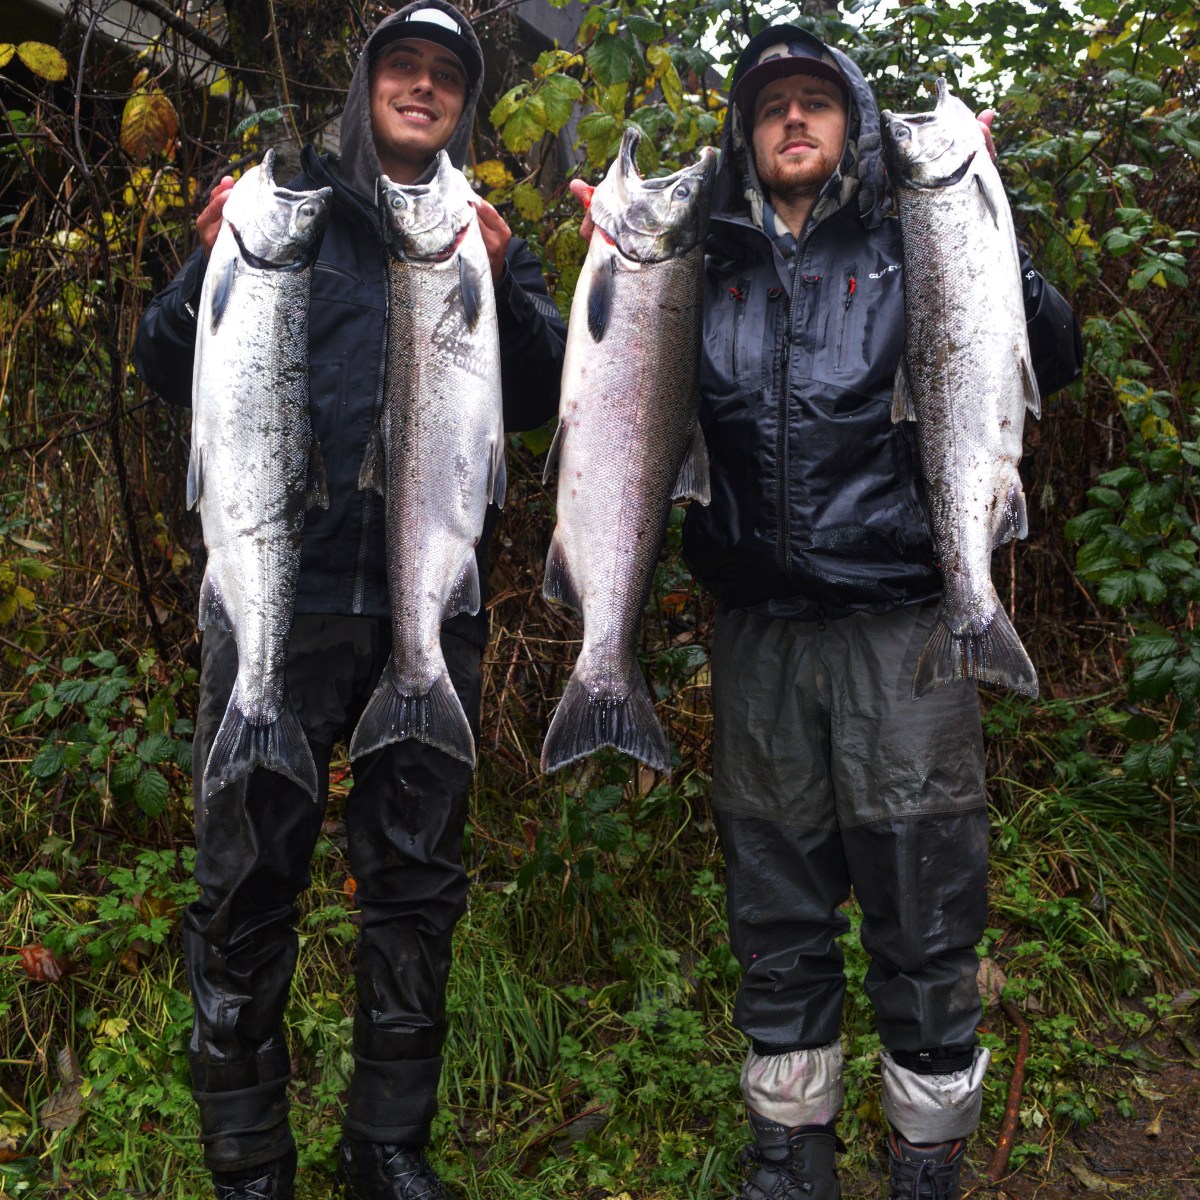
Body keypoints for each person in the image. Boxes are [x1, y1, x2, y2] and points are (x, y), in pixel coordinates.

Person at [571, 24, 1081, 1200]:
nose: (793, 119)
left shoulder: (915, 239)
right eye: (771, 107)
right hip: (756, 636)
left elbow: (1048, 354)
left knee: (925, 902)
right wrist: (591, 265)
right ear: (747, 137)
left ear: (850, 123)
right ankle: (792, 1152)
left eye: (816, 101)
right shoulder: (705, 259)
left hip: (906, 629)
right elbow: (604, 406)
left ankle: (926, 1154)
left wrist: (995, 236)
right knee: (778, 908)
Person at [133, 4, 566, 1199]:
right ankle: (248, 1158)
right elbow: (164, 361)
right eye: (404, 69)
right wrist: (206, 255)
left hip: (429, 608)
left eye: (444, 78)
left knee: (416, 878)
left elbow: (532, 399)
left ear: (462, 104)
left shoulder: (481, 233)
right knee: (247, 873)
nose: (422, 89)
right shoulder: (280, 211)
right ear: (367, 84)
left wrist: (505, 278)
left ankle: (386, 1143)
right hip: (280, 596)